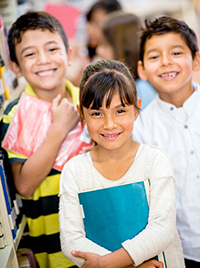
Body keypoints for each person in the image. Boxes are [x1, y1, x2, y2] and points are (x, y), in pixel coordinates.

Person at [59, 59, 185, 268]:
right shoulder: (75, 171)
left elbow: (162, 229)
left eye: (120, 111)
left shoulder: (154, 161)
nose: (109, 124)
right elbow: (72, 242)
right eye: (97, 113)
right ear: (82, 114)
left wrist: (106, 264)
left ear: (136, 109)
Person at [0, 11, 85, 268]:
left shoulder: (90, 100)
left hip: (101, 230)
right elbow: (24, 185)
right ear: (15, 67)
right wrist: (59, 129)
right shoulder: (15, 115)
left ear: (69, 55)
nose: (43, 60)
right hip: (54, 243)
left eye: (52, 48)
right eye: (30, 54)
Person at [131, 16, 200, 267]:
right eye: (154, 56)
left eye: (176, 52)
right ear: (141, 70)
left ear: (196, 60)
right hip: (183, 253)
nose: (166, 62)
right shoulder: (140, 130)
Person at [96, 11, 156, 109]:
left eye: (105, 45)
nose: (99, 51)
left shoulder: (141, 90)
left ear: (123, 48)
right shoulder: (128, 87)